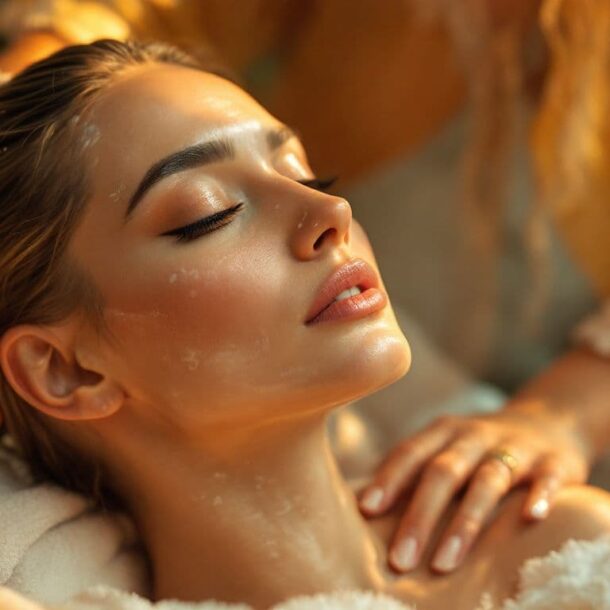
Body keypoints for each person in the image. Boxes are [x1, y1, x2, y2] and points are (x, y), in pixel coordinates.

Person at [1, 0, 610, 576]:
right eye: (210, 213)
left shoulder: (569, 547)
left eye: (312, 175)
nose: (334, 211)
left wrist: (568, 413)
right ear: (63, 369)